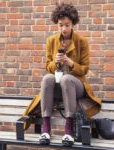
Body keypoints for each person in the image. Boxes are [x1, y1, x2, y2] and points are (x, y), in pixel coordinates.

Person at [23, 3, 101, 147]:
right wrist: (55, 62)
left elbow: (84, 69)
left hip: (76, 85)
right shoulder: (51, 41)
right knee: (47, 78)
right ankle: (46, 130)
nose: (64, 28)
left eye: (67, 25)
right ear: (57, 24)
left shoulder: (82, 41)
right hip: (58, 85)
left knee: (66, 79)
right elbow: (48, 67)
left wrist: (71, 64)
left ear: (73, 24)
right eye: (60, 25)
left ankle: (68, 130)